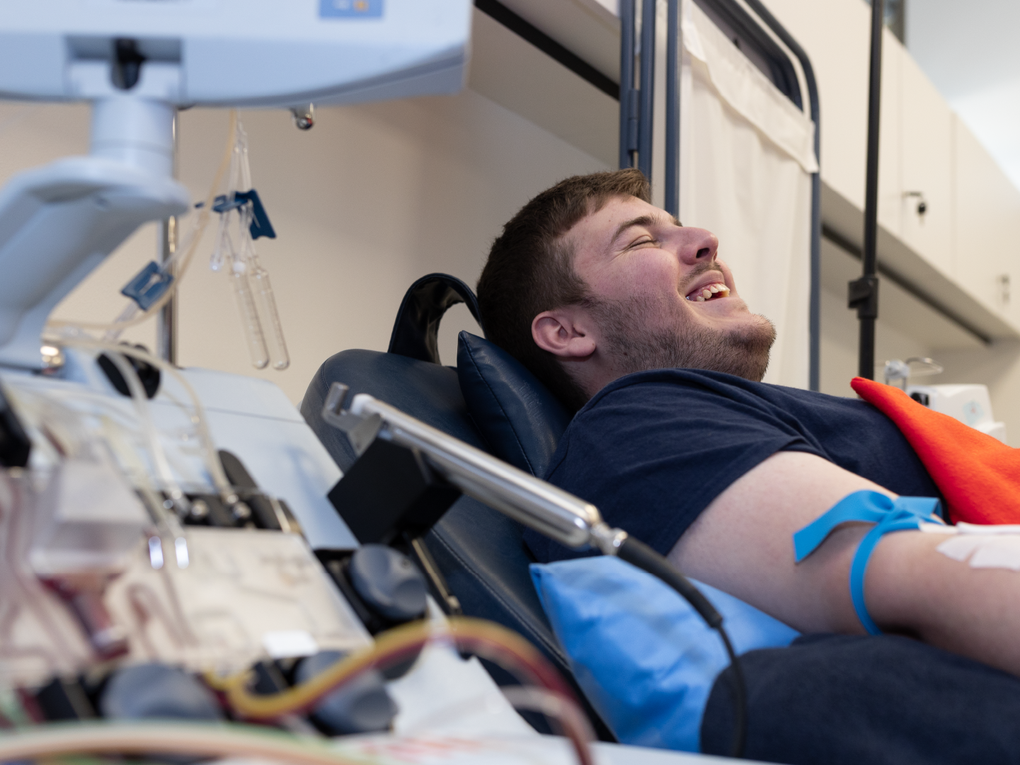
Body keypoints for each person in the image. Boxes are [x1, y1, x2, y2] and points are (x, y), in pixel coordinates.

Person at [476, 167, 1020, 679]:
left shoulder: (720, 413)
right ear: (567, 333)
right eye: (641, 241)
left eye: (678, 227)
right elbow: (937, 580)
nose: (707, 240)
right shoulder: (633, 428)